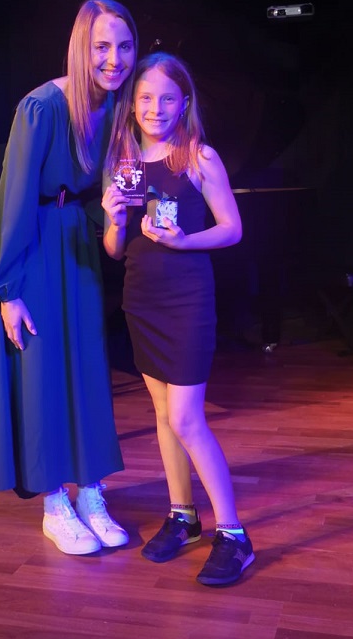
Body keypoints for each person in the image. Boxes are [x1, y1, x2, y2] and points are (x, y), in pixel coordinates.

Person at [0, 0, 138, 556]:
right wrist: (8, 290)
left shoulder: (116, 108)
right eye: (102, 46)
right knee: (44, 375)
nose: (114, 59)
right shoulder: (42, 107)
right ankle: (54, 504)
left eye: (124, 46)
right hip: (37, 244)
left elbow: (99, 192)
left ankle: (91, 492)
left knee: (88, 371)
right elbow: (15, 200)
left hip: (78, 246)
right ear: (81, 48)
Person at [101, 51, 254, 586]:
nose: (155, 108)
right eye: (145, 97)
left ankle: (233, 535)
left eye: (167, 98)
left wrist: (185, 241)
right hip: (141, 300)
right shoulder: (123, 159)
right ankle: (183, 517)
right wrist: (113, 219)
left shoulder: (198, 155)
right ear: (132, 103)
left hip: (187, 301)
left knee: (188, 419)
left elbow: (232, 228)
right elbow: (114, 249)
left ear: (184, 102)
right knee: (164, 416)